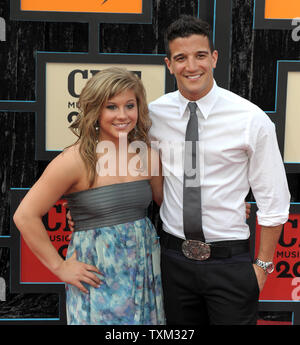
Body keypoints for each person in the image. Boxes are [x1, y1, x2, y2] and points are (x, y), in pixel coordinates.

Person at [147, 15, 290, 325]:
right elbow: (114, 156)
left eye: (200, 55)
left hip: (231, 263)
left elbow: (274, 203)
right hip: (173, 260)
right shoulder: (153, 115)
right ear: (169, 64)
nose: (191, 66)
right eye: (181, 58)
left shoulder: (250, 119)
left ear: (213, 58)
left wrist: (262, 268)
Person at [13, 67, 165, 325]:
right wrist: (60, 267)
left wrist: (223, 208)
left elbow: (169, 205)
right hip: (97, 278)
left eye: (130, 105)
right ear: (96, 110)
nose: (123, 115)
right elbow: (25, 215)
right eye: (111, 107)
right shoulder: (75, 160)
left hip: (145, 272)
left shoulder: (147, 155)